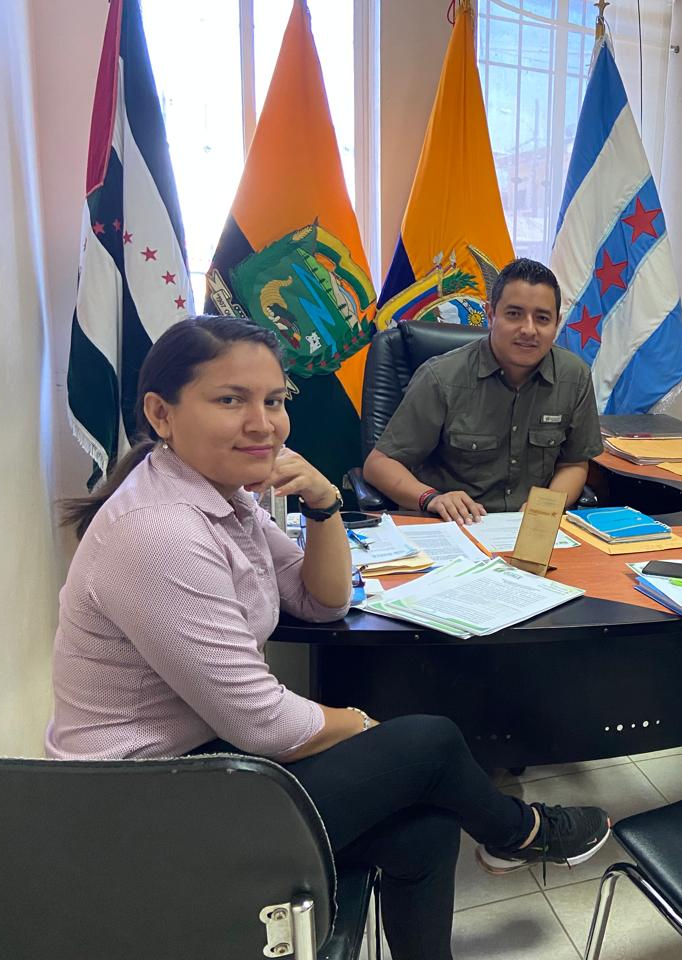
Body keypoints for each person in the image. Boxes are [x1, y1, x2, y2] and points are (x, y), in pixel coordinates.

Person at [48, 316, 611, 960]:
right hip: (141, 811)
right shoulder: (161, 533)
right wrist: (365, 726)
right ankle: (522, 832)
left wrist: (324, 505)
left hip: (206, 761)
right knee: (427, 742)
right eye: (230, 400)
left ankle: (514, 839)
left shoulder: (219, 493)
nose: (262, 424)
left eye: (274, 400)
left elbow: (321, 601)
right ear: (161, 413)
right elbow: (265, 725)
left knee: (427, 831)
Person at [363, 258, 604, 525]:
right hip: (454, 525)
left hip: (531, 528)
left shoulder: (574, 377)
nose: (528, 329)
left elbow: (574, 463)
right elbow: (379, 464)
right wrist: (432, 498)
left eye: (542, 318)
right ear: (490, 315)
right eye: (514, 314)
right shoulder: (442, 378)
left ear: (556, 323)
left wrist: (546, 505)